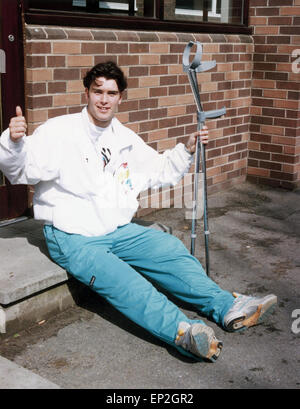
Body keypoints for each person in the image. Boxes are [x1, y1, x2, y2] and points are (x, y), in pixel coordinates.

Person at [0, 61, 277, 362]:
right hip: (73, 235)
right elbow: (22, 170)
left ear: (121, 97)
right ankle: (184, 332)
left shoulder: (125, 138)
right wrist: (15, 143)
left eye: (111, 93)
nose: (104, 99)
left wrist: (186, 148)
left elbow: (157, 170)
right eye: (98, 92)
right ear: (87, 94)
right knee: (125, 281)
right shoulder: (59, 131)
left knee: (168, 248)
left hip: (116, 229)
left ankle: (227, 306)